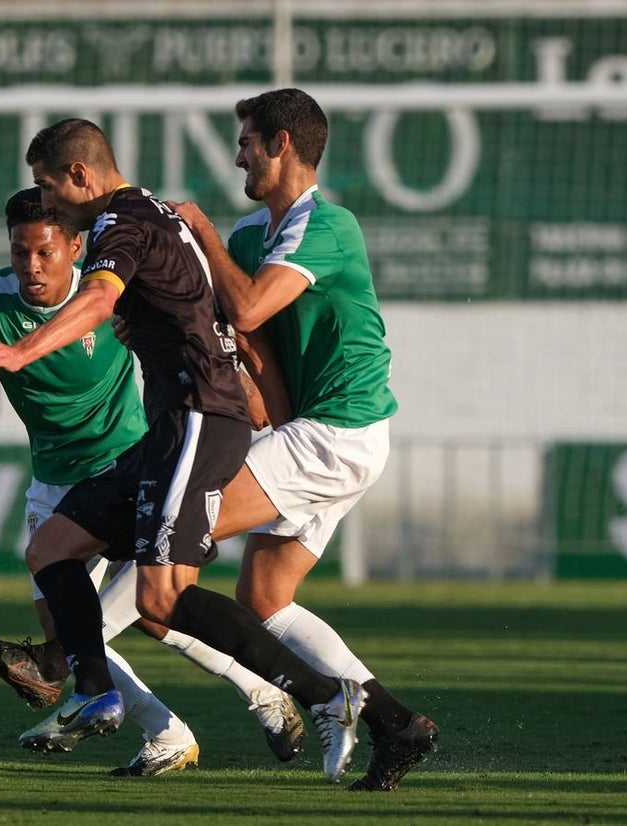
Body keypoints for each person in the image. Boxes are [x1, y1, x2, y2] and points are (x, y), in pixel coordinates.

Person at [0, 118, 366, 784]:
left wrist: (24, 348)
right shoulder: (148, 212)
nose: (47, 203)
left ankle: (325, 695)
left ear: (81, 176)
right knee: (51, 548)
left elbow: (97, 300)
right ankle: (94, 690)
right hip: (173, 426)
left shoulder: (122, 224)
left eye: (49, 186)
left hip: (199, 418)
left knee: (160, 599)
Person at [0, 187, 208, 776]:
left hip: (125, 464)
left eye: (46, 252)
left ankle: (254, 697)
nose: (32, 266)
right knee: (83, 630)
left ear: (75, 247)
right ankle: (177, 725)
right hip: (53, 480)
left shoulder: (110, 294)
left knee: (139, 614)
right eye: (21, 252)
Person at [166, 88, 439, 792]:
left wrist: (201, 231)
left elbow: (250, 303)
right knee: (263, 598)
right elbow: (252, 339)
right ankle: (395, 723)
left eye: (247, 142)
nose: (237, 157)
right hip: (313, 431)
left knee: (167, 532)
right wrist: (266, 409)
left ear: (282, 145)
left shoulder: (331, 224)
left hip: (338, 432)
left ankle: (70, 666)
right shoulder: (253, 235)